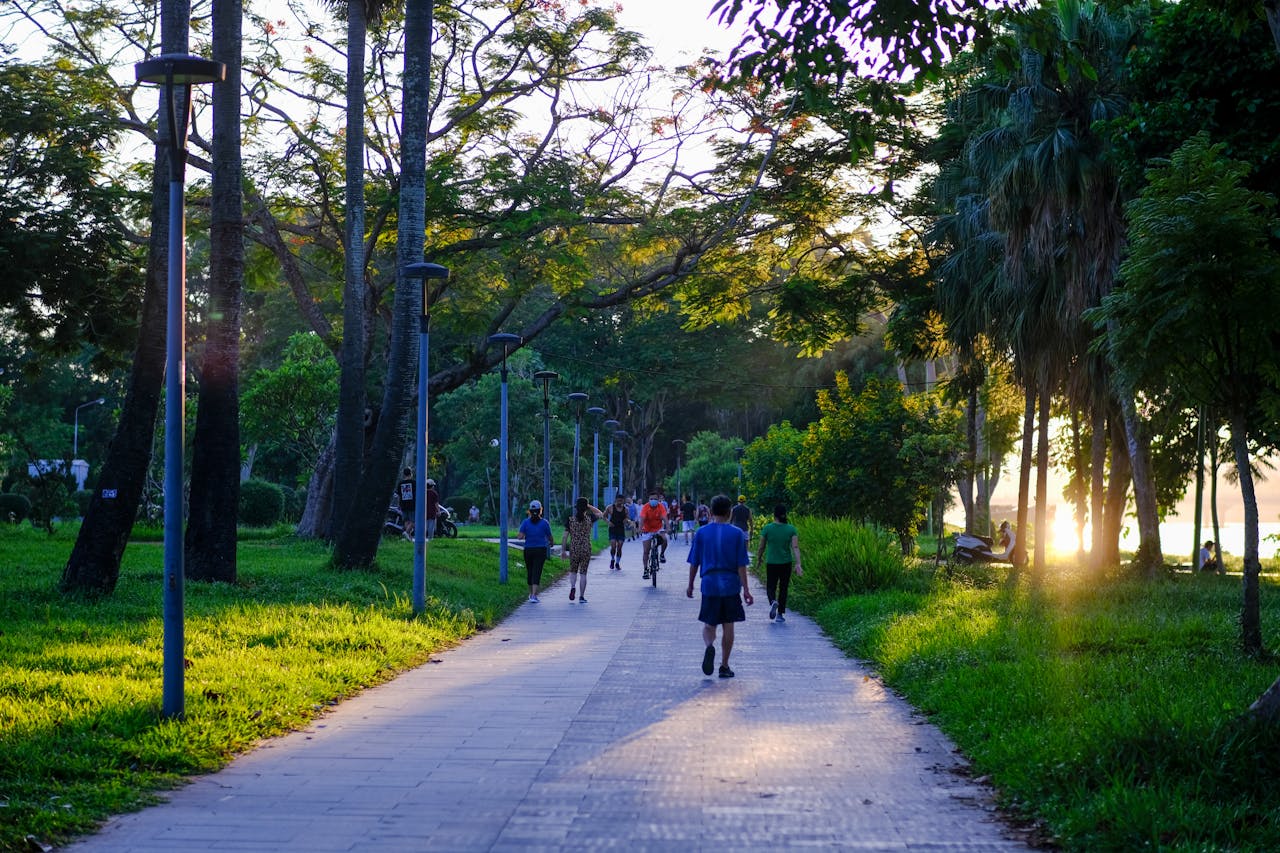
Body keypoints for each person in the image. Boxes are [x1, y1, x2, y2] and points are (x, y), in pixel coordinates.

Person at [686, 494, 754, 678]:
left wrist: (690, 585)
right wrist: (746, 590)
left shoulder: (701, 533)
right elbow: (741, 565)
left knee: (709, 624)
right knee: (728, 625)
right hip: (731, 585)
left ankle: (709, 646)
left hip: (709, 584)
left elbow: (694, 562)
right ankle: (724, 666)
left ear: (711, 511)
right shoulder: (737, 534)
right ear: (729, 512)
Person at [756, 504, 803, 623]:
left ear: (774, 515)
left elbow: (761, 546)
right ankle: (780, 615)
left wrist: (759, 558)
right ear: (785, 514)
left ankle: (773, 601)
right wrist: (798, 564)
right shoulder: (791, 529)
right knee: (783, 588)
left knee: (771, 586)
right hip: (786, 563)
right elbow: (795, 547)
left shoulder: (767, 528)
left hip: (772, 562)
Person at [562, 497, 603, 602]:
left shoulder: (570, 520)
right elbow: (600, 513)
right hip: (586, 548)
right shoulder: (590, 518)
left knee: (573, 570)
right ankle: (581, 596)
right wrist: (589, 507)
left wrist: (563, 551)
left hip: (574, 548)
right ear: (586, 508)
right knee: (583, 573)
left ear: (576, 508)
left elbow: (565, 537)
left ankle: (572, 587)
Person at [518, 500, 553, 603]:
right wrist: (551, 543)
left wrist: (524, 533)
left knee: (530, 571)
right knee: (537, 571)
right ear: (540, 510)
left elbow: (520, 537)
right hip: (540, 550)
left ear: (529, 511)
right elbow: (550, 537)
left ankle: (531, 594)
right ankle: (533, 595)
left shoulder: (525, 522)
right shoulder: (544, 523)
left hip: (528, 550)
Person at [639, 488, 669, 578]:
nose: (653, 501)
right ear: (648, 499)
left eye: (655, 499)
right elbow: (642, 519)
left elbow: (665, 518)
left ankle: (662, 554)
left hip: (658, 528)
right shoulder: (645, 507)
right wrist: (640, 528)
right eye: (651, 499)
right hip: (647, 529)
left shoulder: (661, 506)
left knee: (664, 539)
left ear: (658, 499)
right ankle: (645, 570)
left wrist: (668, 527)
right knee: (646, 551)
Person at [604, 494, 632, 570]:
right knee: (613, 546)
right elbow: (604, 516)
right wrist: (608, 522)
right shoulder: (610, 507)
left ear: (623, 501)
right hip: (612, 528)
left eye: (621, 501)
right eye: (618, 500)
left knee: (619, 547)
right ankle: (612, 559)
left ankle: (617, 563)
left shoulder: (626, 509)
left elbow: (628, 518)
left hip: (621, 529)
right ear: (616, 500)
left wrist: (627, 521)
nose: (620, 502)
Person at [396, 468, 416, 539]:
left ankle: (408, 538)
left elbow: (399, 495)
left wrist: (399, 504)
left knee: (406, 521)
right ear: (411, 474)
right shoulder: (414, 483)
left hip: (403, 504)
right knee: (414, 521)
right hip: (412, 504)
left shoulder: (400, 483)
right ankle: (406, 533)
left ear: (404, 474)